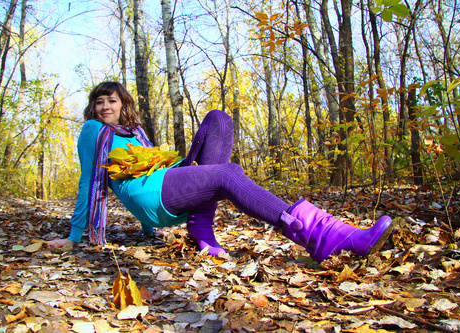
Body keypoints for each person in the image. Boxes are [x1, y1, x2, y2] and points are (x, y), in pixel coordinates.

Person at [46, 81, 394, 263]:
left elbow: (152, 162)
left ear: (123, 106)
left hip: (164, 181)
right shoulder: (92, 130)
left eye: (112, 101)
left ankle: (201, 228)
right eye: (100, 101)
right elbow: (90, 180)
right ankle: (324, 236)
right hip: (149, 194)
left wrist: (149, 230)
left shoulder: (134, 134)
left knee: (219, 119)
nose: (105, 106)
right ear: (93, 107)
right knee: (227, 174)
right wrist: (76, 234)